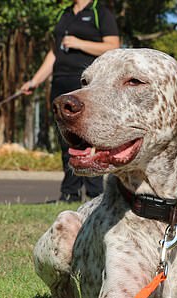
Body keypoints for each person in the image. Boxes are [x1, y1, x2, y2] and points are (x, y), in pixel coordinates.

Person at [21, 0, 120, 203]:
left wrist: (78, 43)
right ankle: (69, 193)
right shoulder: (64, 14)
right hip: (59, 82)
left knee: (89, 138)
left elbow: (113, 46)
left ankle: (96, 194)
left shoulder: (100, 13)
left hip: (85, 84)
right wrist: (35, 81)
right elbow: (54, 53)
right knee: (65, 139)